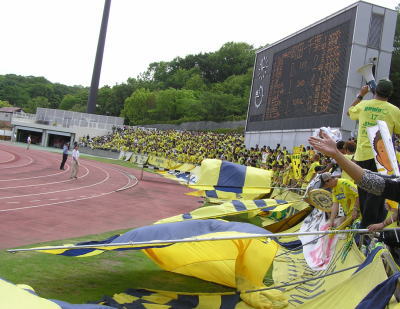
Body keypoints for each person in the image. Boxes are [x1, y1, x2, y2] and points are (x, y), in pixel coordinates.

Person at [346, 80, 400, 228]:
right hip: (383, 156)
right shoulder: (395, 110)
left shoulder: (363, 105)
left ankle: (368, 226)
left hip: (362, 155)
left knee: (364, 190)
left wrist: (360, 95)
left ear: (375, 92)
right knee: (378, 192)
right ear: (389, 94)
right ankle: (369, 228)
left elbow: (349, 111)